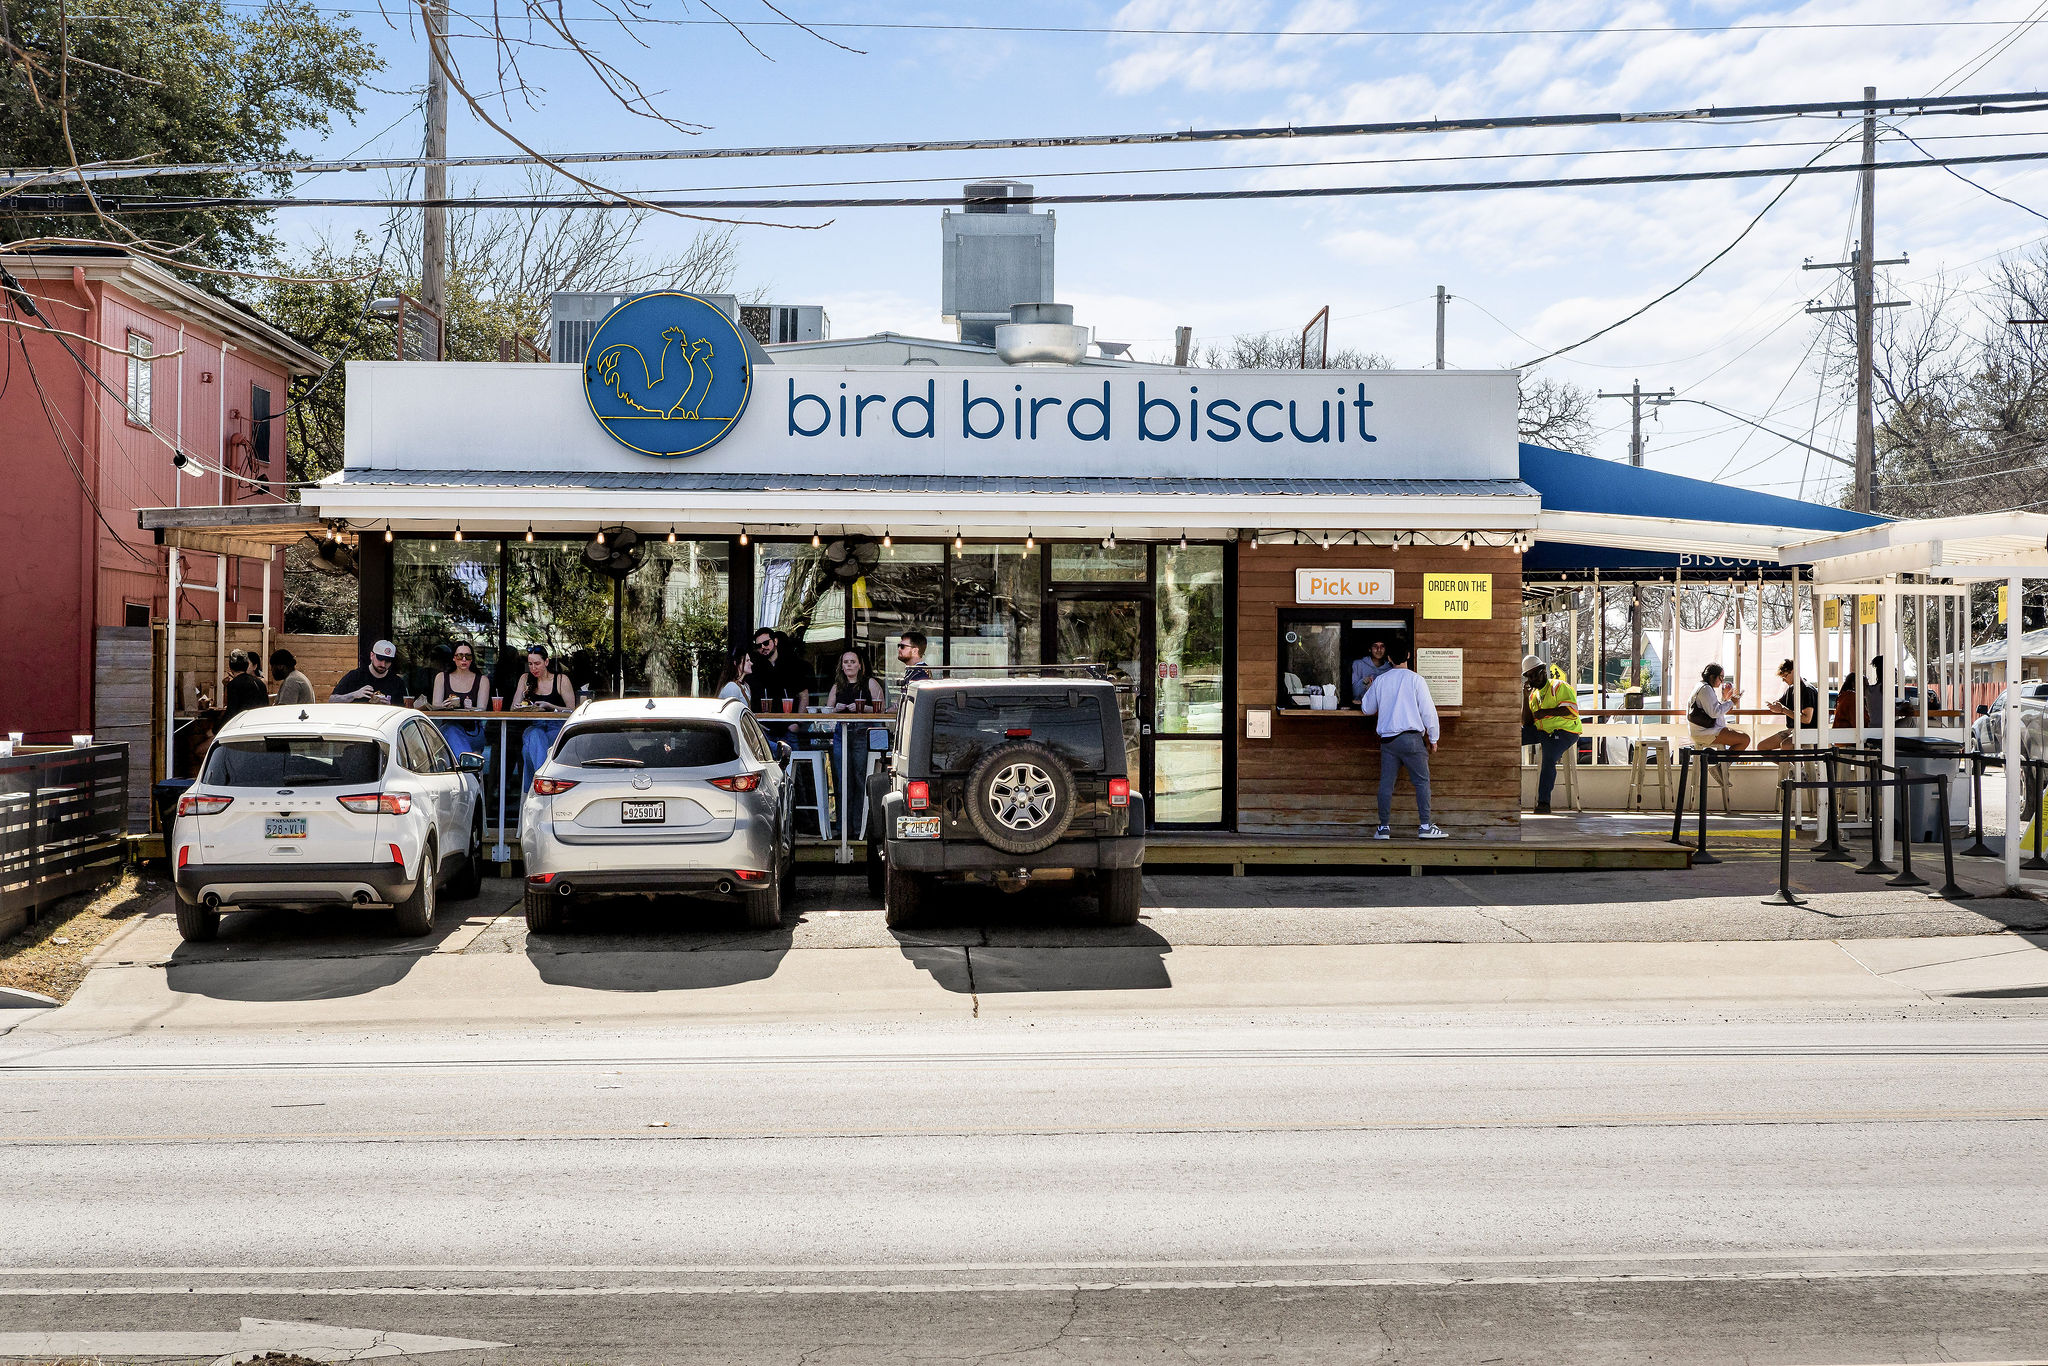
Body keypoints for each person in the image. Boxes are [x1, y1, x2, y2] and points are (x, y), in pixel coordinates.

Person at [1360, 641, 1449, 841]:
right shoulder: (1416, 680)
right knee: (1421, 782)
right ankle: (1425, 826)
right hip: (1411, 740)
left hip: (1388, 741)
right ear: (1408, 655)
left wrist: (1372, 687)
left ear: (1388, 658)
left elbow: (1367, 709)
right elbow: (1428, 712)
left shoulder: (1381, 680)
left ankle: (1383, 828)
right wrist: (1433, 738)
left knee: (1386, 785)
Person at [824, 647, 885, 837]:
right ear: (841, 666)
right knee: (842, 781)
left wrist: (863, 709)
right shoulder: (837, 686)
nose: (849, 665)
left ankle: (861, 829)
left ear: (860, 665)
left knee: (861, 780)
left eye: (852, 662)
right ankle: (843, 829)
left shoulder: (870, 683)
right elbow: (827, 711)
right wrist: (838, 708)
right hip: (841, 733)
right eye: (845, 662)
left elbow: (880, 711)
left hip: (861, 732)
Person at [1520, 653, 1582, 816]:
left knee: (1548, 755)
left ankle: (1544, 803)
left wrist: (1545, 712)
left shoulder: (1559, 687)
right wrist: (1525, 698)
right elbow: (1526, 723)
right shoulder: (1533, 695)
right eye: (1529, 676)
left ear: (1544, 671)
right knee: (1514, 737)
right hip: (1542, 731)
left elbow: (1571, 710)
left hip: (1565, 731)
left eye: (1535, 674)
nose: (1532, 679)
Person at [510, 644, 575, 788]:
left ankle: (533, 788)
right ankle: (545, 781)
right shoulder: (526, 679)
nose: (533, 668)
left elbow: (572, 710)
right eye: (531, 664)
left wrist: (549, 706)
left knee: (528, 751)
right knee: (535, 735)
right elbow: (513, 708)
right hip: (533, 725)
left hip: (556, 728)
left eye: (537, 663)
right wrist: (525, 705)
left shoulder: (560, 680)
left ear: (546, 662)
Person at [431, 639, 492, 756]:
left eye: (468, 656)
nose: (464, 659)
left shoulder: (482, 680)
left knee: (452, 732)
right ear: (453, 658)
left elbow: (482, 709)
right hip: (448, 728)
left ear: (472, 659)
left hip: (472, 731)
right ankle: (468, 768)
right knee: (451, 729)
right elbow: (435, 705)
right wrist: (443, 706)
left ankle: (465, 768)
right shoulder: (442, 677)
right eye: (460, 656)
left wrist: (472, 708)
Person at [1759, 658, 1821, 752]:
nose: (1784, 680)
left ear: (1793, 671)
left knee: (1786, 745)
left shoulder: (1807, 690)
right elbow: (1780, 703)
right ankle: (1793, 766)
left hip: (1808, 731)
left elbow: (1806, 719)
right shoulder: (1791, 689)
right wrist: (1775, 705)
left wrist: (1783, 709)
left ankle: (1794, 766)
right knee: (1762, 747)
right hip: (1793, 730)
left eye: (1785, 676)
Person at [1688, 663, 1749, 753]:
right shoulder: (1706, 689)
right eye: (1721, 677)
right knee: (1745, 739)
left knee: (1743, 738)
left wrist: (1725, 700)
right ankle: (1721, 766)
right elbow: (1714, 713)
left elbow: (1711, 709)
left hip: (1702, 731)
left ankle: (1721, 765)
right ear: (1712, 677)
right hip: (1705, 732)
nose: (1722, 680)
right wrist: (1732, 702)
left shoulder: (1701, 686)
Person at [332, 639, 406, 706]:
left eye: (388, 661)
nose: (383, 664)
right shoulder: (355, 676)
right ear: (372, 655)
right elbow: (332, 700)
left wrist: (390, 706)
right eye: (380, 659)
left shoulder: (397, 683)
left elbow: (403, 710)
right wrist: (354, 695)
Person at [220, 649, 269, 721]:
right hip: (259, 722)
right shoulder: (260, 683)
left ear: (230, 667)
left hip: (242, 724)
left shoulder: (234, 684)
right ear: (246, 665)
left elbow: (231, 712)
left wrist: (215, 730)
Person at [1351, 638, 1393, 706]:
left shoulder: (1390, 669)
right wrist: (1364, 682)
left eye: (1382, 646)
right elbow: (1353, 693)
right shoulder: (1358, 664)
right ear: (1369, 649)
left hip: (1383, 709)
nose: (1379, 649)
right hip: (1359, 709)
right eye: (1375, 646)